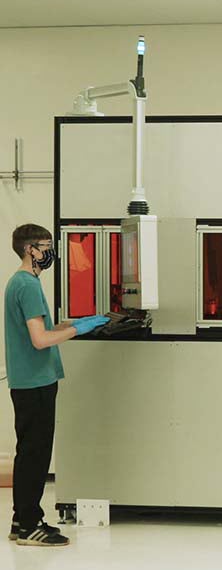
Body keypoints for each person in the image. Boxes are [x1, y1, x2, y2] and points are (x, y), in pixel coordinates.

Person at [5, 225, 108, 547]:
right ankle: (30, 526)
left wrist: (77, 322)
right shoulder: (28, 285)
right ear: (28, 250)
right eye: (44, 246)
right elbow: (40, 340)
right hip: (35, 381)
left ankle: (21, 519)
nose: (49, 252)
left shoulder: (21, 282)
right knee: (35, 454)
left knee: (30, 452)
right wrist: (79, 331)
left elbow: (45, 329)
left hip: (29, 380)